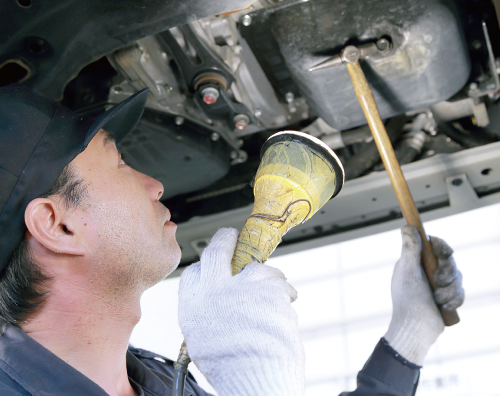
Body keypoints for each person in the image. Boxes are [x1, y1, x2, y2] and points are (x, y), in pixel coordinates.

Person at [0, 84, 464, 396]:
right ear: (59, 225)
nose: (154, 185)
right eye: (119, 163)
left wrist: (408, 339)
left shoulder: (152, 379)